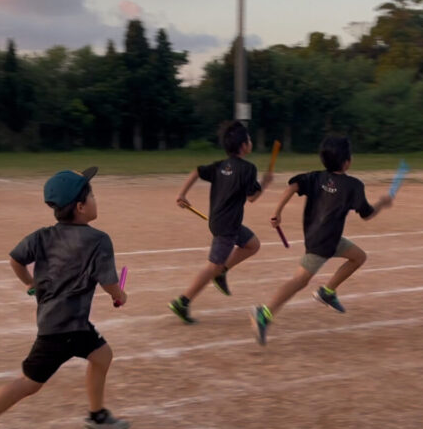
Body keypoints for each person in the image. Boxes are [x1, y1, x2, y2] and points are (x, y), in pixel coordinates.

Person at [0, 167, 129, 429]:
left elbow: (15, 259)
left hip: (63, 324)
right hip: (65, 329)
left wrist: (30, 282)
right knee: (29, 383)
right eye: (92, 195)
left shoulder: (43, 236)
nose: (96, 200)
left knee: (102, 355)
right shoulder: (98, 240)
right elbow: (108, 280)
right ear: (81, 207)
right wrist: (119, 294)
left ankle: (97, 417)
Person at [252, 136, 393, 345]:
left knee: (358, 257)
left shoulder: (315, 177)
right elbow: (367, 214)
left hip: (328, 238)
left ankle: (327, 292)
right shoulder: (353, 185)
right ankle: (264, 313)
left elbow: (292, 186)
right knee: (299, 281)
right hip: (321, 243)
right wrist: (382, 203)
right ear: (347, 162)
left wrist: (277, 211)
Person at [168, 121, 273, 323]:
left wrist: (182, 194)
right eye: (249, 139)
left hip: (222, 221)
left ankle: (222, 272)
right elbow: (252, 197)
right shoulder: (248, 169)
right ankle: (183, 301)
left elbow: (196, 171)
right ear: (244, 146)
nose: (250, 142)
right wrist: (265, 183)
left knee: (253, 244)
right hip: (227, 227)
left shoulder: (220, 166)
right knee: (212, 266)